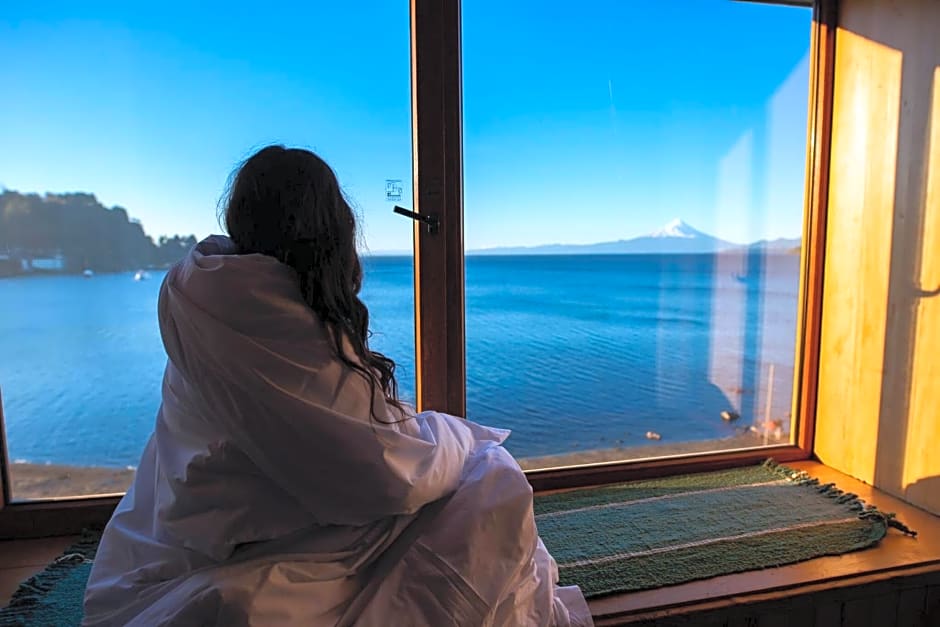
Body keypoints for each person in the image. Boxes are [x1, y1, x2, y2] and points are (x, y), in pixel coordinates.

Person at [82, 145, 592, 626]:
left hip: (196, 509)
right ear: (329, 231)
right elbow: (384, 476)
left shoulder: (204, 296)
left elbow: (329, 431)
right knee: (497, 481)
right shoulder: (282, 321)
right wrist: (458, 436)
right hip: (269, 531)